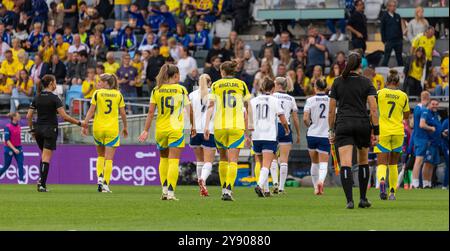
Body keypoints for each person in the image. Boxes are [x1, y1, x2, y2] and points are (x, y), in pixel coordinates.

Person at [328, 52, 379, 209]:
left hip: (343, 124)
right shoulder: (367, 82)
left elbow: (331, 110)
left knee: (346, 164)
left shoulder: (337, 82)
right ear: (360, 66)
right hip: (362, 124)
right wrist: (376, 131)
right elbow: (374, 108)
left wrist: (331, 130)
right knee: (363, 161)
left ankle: (349, 201)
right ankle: (363, 199)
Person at [138, 64, 194, 201]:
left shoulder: (156, 90)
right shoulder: (181, 90)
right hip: (175, 129)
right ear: (175, 76)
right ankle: (170, 192)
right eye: (179, 75)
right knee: (173, 161)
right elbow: (190, 110)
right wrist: (193, 125)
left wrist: (146, 130)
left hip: (161, 130)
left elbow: (151, 112)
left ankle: (163, 190)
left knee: (163, 159)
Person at [26, 75, 85, 192]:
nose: (55, 85)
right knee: (46, 158)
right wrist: (79, 123)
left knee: (44, 155)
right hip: (50, 130)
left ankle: (40, 180)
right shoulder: (54, 98)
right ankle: (42, 185)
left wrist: (32, 129)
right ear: (51, 83)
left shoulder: (37, 97)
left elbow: (29, 115)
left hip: (38, 130)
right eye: (54, 83)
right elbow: (64, 116)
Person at [204, 60, 251, 201]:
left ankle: (223, 188)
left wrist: (206, 125)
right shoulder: (241, 84)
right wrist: (249, 128)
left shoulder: (216, 85)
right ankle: (228, 190)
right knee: (233, 161)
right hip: (236, 126)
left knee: (223, 159)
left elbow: (210, 106)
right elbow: (248, 105)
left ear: (223, 72)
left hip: (219, 126)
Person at [82, 73, 128, 193]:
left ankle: (99, 179)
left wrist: (85, 125)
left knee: (100, 156)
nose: (98, 84)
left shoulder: (97, 93)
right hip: (112, 129)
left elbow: (91, 111)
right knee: (109, 159)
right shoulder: (118, 94)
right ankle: (106, 184)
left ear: (106, 83)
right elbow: (123, 113)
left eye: (100, 82)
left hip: (98, 128)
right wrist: (125, 127)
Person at [374, 69, 410, 200]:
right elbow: (406, 115)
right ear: (398, 82)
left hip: (383, 131)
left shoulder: (380, 93)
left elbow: (372, 109)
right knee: (394, 164)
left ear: (387, 81)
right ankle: (393, 192)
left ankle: (382, 181)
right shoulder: (403, 95)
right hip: (398, 132)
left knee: (381, 163)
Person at [252, 78, 289, 197]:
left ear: (262, 88)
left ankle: (266, 191)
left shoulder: (253, 100)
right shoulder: (274, 100)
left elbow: (248, 118)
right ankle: (259, 185)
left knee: (261, 162)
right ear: (273, 88)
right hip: (269, 135)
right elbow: (282, 117)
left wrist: (247, 135)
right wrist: (287, 129)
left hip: (256, 135)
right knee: (267, 164)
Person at [189, 74, 216, 197]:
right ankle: (203, 179)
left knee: (199, 161)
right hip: (208, 129)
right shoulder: (214, 95)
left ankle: (200, 184)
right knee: (208, 161)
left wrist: (191, 126)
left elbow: (189, 112)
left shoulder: (192, 95)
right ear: (210, 83)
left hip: (195, 130)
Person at [273, 77, 301, 193]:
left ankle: (274, 182)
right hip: (286, 128)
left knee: (272, 157)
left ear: (278, 85)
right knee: (284, 159)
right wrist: (298, 133)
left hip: (273, 127)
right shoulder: (291, 98)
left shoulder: (272, 97)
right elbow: (295, 118)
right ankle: (281, 188)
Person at [303, 79, 330, 195]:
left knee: (314, 162)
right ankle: (321, 182)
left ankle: (315, 187)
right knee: (323, 163)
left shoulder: (310, 100)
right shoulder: (331, 100)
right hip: (325, 134)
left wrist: (310, 124)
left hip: (312, 134)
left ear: (315, 87)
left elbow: (305, 118)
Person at [419, 99, 441, 189]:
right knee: (427, 163)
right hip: (429, 142)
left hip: (436, 143)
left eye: (436, 104)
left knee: (432, 164)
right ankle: (424, 184)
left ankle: (429, 183)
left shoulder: (436, 115)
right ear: (429, 105)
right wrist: (431, 128)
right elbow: (422, 125)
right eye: (433, 104)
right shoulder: (426, 112)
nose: (435, 106)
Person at [411, 91, 431, 189]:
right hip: (422, 138)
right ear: (427, 98)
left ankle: (417, 182)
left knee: (418, 160)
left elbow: (412, 124)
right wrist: (431, 128)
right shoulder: (424, 109)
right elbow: (422, 124)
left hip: (416, 137)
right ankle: (415, 183)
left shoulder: (416, 108)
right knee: (419, 160)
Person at [0, 112, 25, 184]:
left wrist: (17, 148)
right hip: (9, 148)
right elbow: (7, 140)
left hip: (19, 147)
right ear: (14, 117)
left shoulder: (19, 126)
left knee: (20, 164)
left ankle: (21, 180)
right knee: (6, 166)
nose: (20, 117)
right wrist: (14, 149)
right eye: (18, 116)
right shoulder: (7, 127)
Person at [380, 0, 404, 67]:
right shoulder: (384, 17)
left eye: (394, 6)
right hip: (389, 41)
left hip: (398, 41)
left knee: (400, 58)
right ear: (388, 7)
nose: (393, 7)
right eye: (391, 6)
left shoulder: (397, 16)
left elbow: (400, 28)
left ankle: (402, 72)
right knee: (386, 58)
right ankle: (383, 71)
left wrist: (401, 39)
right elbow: (382, 29)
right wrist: (384, 40)